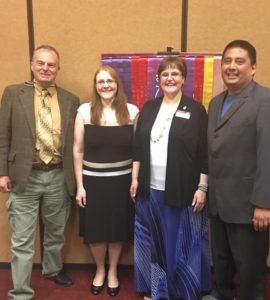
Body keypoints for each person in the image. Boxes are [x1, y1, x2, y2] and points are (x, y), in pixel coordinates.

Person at [203, 40, 270, 300]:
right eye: (227, 61)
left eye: (239, 61)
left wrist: (264, 203)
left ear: (253, 68)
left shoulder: (267, 101)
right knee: (221, 259)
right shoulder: (216, 103)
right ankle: (222, 293)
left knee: (250, 268)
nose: (231, 67)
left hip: (249, 205)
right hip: (218, 202)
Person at [0, 45, 80, 300]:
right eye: (41, 63)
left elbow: (75, 144)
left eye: (51, 64)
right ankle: (21, 292)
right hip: (24, 178)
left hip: (58, 176)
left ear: (58, 68)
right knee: (22, 239)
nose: (46, 68)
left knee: (56, 231)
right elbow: (3, 136)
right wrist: (2, 172)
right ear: (32, 65)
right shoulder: (13, 94)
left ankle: (52, 269)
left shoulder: (71, 100)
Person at [130, 56, 211, 300]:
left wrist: (202, 187)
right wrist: (134, 179)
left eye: (175, 74)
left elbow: (203, 152)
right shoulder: (149, 107)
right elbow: (138, 148)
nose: (170, 78)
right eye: (165, 74)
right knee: (153, 240)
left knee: (183, 242)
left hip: (184, 189)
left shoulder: (196, 110)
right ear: (159, 79)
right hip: (149, 188)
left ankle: (183, 290)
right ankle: (156, 290)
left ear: (184, 79)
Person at [73, 65, 139, 297]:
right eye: (101, 81)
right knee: (97, 231)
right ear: (96, 86)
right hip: (93, 183)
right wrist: (80, 186)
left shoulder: (131, 111)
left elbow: (137, 151)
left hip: (121, 184)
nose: (106, 85)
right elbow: (78, 150)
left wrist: (134, 180)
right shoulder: (84, 111)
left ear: (117, 84)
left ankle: (113, 272)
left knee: (117, 230)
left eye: (110, 81)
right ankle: (100, 270)